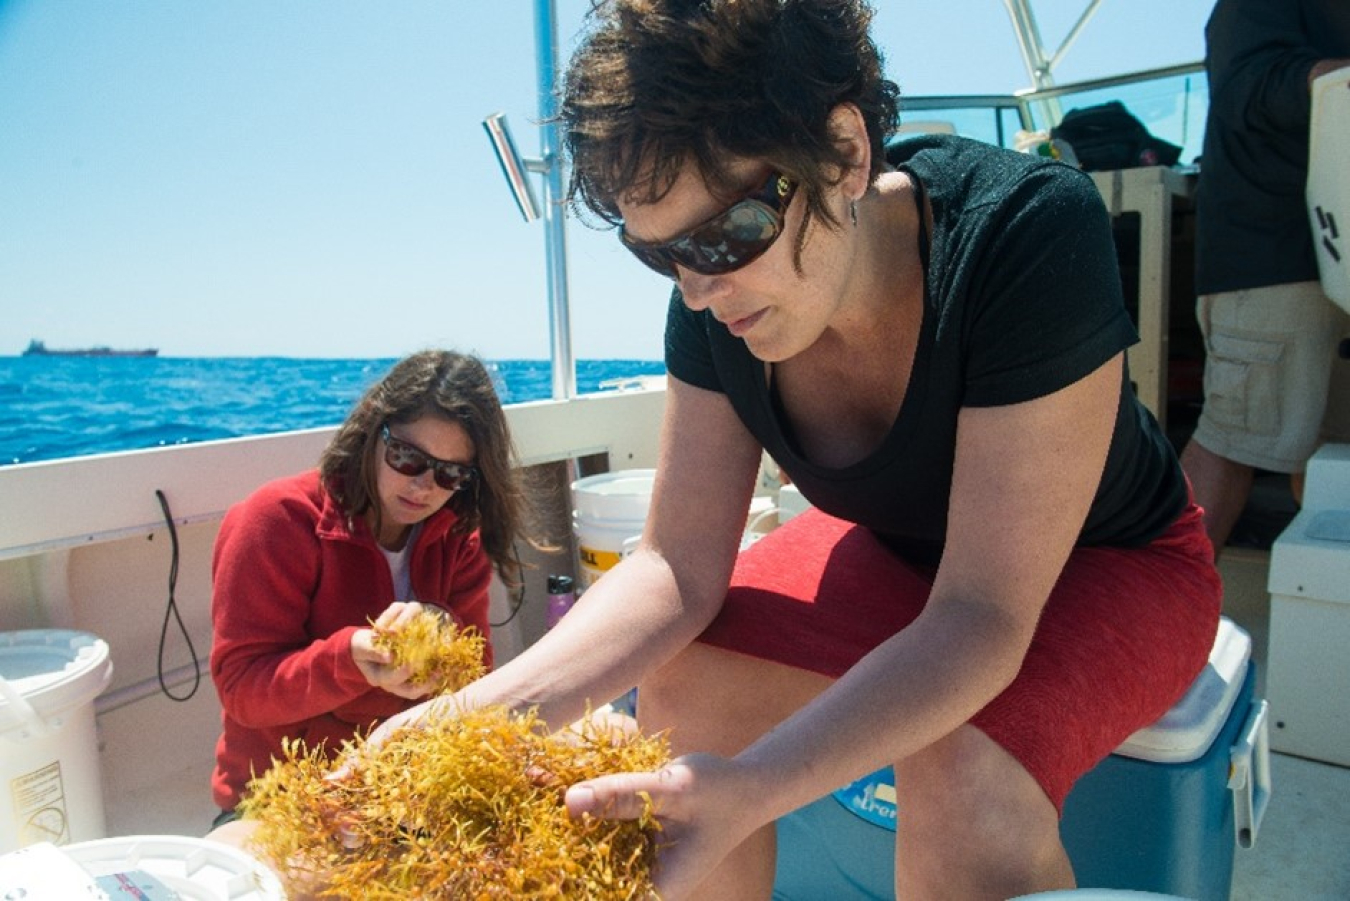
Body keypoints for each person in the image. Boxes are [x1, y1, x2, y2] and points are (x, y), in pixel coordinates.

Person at [361, 2, 1222, 898]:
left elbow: (980, 616)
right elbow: (673, 569)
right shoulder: (719, 301)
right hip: (898, 555)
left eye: (725, 235)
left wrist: (755, 785)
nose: (699, 291)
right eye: (660, 256)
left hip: (1112, 561)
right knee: (688, 687)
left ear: (845, 154)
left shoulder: (1024, 231)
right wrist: (469, 718)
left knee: (963, 777)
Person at [207, 349, 531, 831]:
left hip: (405, 792)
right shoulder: (275, 520)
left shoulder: (458, 538)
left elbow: (473, 684)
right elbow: (243, 690)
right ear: (372, 433)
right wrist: (350, 660)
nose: (423, 486)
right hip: (279, 802)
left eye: (449, 474)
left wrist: (445, 634)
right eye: (407, 458)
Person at [1181, 0, 1350, 556]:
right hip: (1273, 261)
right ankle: (1148, 620)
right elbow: (1247, 89)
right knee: (1234, 444)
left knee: (1330, 456)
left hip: (1336, 262)